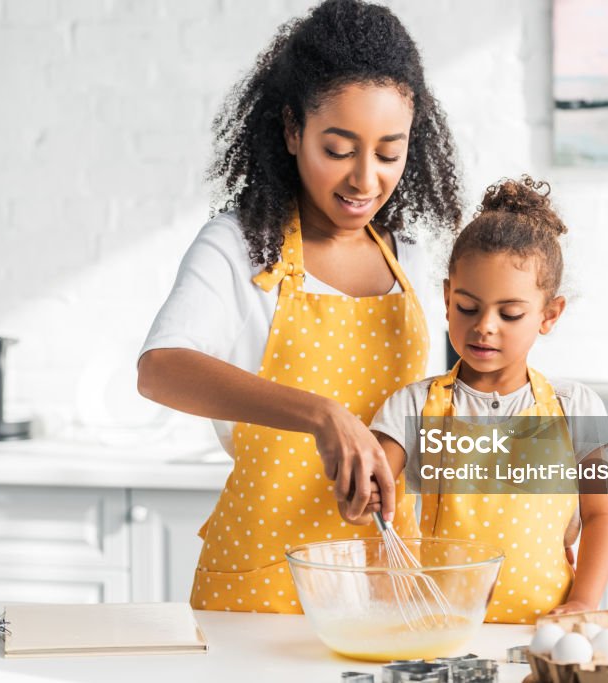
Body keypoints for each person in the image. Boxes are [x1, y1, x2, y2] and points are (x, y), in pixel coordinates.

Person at [137, 0, 463, 613]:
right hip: (263, 584)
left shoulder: (412, 262)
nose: (365, 179)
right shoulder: (238, 247)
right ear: (292, 130)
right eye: (338, 149)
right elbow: (160, 369)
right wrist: (322, 415)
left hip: (386, 577)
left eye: (389, 153)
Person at [362, 176, 608, 624]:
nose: (485, 326)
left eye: (510, 313)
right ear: (446, 299)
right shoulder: (413, 406)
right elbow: (374, 483)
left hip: (546, 631)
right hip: (442, 629)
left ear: (549, 314)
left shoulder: (573, 407)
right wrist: (365, 489)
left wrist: (583, 602)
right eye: (467, 307)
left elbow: (600, 517)